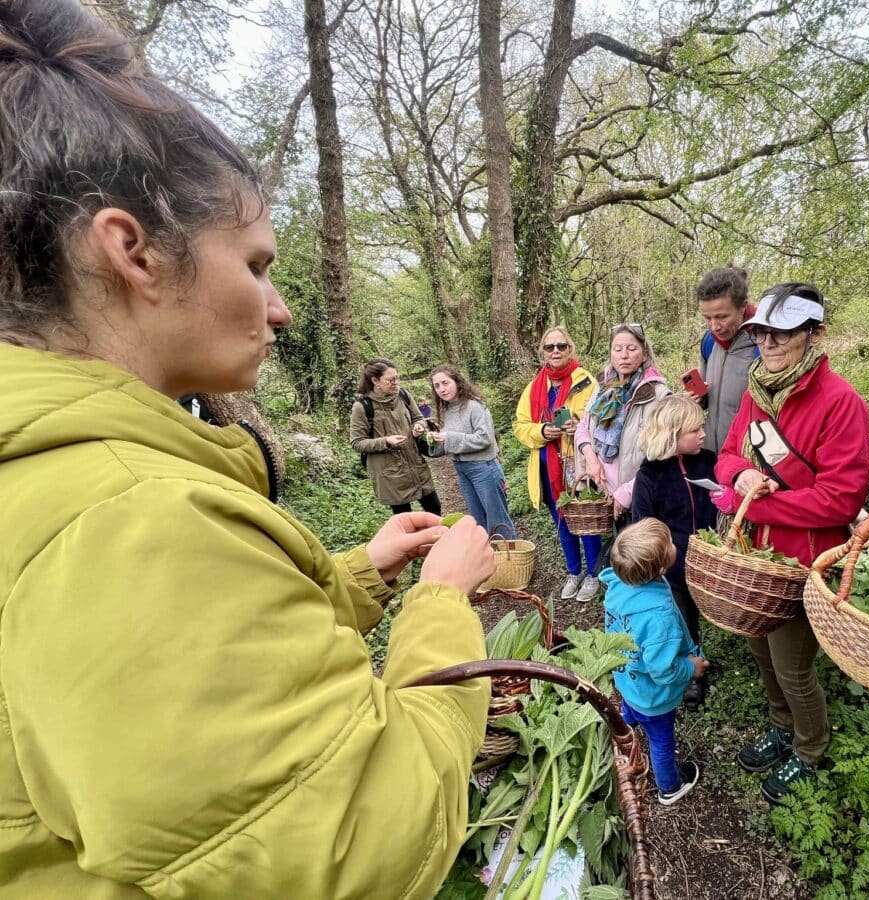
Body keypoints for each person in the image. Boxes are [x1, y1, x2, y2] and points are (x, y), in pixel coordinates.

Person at [0, 3, 497, 895]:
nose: (282, 309)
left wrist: (357, 577)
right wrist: (441, 601)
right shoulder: (127, 518)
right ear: (133, 252)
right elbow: (358, 843)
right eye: (257, 265)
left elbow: (202, 698)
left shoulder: (49, 474)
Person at [714, 283, 869, 804]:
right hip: (753, 554)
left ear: (814, 334)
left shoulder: (840, 401)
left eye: (784, 334)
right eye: (763, 333)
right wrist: (738, 477)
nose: (770, 344)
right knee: (759, 649)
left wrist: (759, 504)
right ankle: (782, 726)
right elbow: (728, 454)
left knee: (792, 665)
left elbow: (840, 500)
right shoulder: (758, 392)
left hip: (806, 559)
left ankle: (809, 748)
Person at [602, 519, 709, 805]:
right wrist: (691, 668)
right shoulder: (658, 617)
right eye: (670, 545)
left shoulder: (618, 586)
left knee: (630, 712)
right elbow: (662, 671)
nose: (675, 544)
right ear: (661, 568)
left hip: (627, 679)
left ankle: (617, 737)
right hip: (653, 695)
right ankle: (669, 786)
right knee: (661, 740)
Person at [631, 394, 720, 709]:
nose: (703, 435)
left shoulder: (709, 461)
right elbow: (643, 525)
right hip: (675, 566)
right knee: (682, 618)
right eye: (695, 431)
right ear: (672, 435)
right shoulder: (650, 476)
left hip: (710, 557)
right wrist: (661, 562)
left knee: (712, 608)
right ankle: (692, 671)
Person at [575, 324, 672, 573]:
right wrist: (591, 459)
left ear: (644, 352)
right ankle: (620, 608)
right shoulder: (604, 387)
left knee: (643, 563)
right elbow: (583, 428)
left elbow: (663, 452)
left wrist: (627, 493)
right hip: (605, 492)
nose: (624, 355)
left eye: (631, 348)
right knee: (619, 564)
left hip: (640, 496)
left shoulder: (658, 393)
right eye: (617, 349)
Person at [513, 327, 601, 600]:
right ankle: (574, 571)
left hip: (576, 465)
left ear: (570, 349)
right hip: (547, 466)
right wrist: (542, 431)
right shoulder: (534, 387)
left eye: (561, 346)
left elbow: (600, 423)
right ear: (542, 352)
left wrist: (580, 428)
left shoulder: (586, 382)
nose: (555, 351)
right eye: (550, 347)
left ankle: (594, 574)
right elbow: (520, 426)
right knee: (562, 521)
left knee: (586, 519)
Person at [429, 364, 517, 540]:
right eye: (437, 386)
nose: (441, 389)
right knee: (478, 521)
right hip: (462, 470)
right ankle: (489, 559)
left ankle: (511, 562)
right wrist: (432, 439)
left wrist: (450, 437)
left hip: (483, 468)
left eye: (445, 383)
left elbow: (484, 439)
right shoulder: (446, 410)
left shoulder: (474, 406)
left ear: (457, 381)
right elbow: (449, 444)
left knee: (497, 519)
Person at [350, 358, 441, 516]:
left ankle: (440, 539)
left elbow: (419, 418)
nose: (396, 382)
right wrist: (385, 441)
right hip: (389, 474)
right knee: (403, 518)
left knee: (434, 508)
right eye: (391, 379)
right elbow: (357, 442)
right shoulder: (362, 407)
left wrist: (418, 427)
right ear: (375, 381)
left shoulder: (403, 395)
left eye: (397, 378)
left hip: (416, 465)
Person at [697, 266, 759, 452]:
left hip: (747, 459)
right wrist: (699, 399)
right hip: (710, 454)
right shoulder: (709, 342)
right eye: (707, 318)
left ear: (743, 306)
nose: (714, 326)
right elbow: (709, 399)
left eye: (722, 317)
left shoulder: (765, 345)